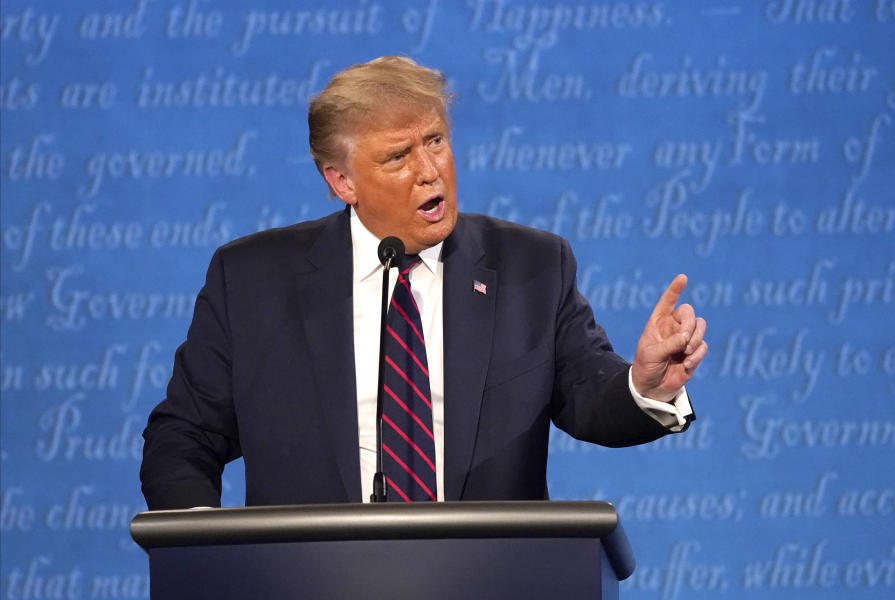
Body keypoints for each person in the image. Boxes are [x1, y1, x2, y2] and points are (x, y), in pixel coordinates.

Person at [139, 56, 708, 510]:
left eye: (435, 140)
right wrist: (203, 549)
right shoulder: (253, 281)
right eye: (397, 157)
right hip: (305, 597)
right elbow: (183, 436)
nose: (429, 170)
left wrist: (645, 385)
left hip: (488, 596)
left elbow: (589, 395)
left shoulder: (530, 266)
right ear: (342, 182)